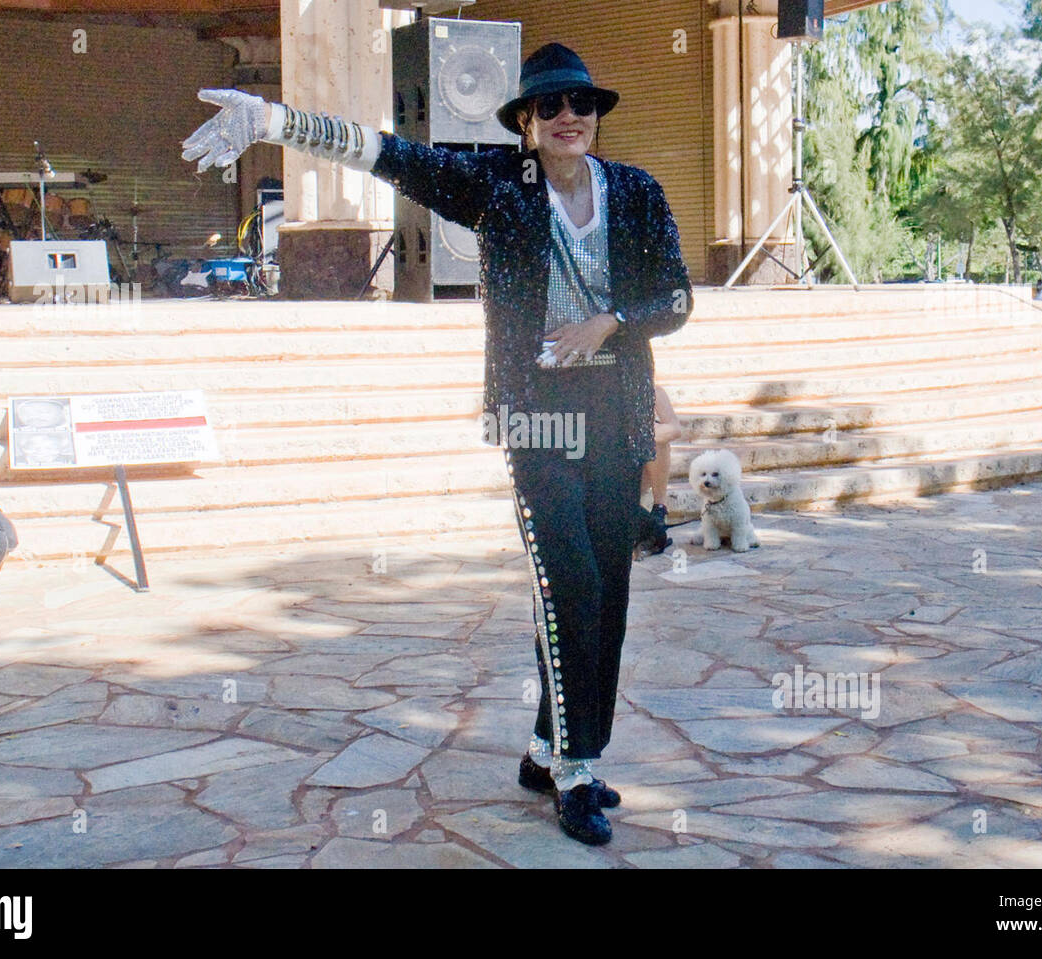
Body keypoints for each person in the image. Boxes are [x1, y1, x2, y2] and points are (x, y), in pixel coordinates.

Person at [181, 41, 692, 846]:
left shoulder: (636, 192)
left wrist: (611, 322)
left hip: (616, 418)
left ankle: (543, 746)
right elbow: (392, 155)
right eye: (550, 106)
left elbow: (675, 294)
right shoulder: (499, 187)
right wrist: (276, 120)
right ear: (524, 122)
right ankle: (576, 766)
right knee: (572, 586)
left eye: (582, 104)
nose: (568, 117)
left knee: (605, 593)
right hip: (535, 419)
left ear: (596, 117)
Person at [634, 384, 682, 554]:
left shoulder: (651, 390)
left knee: (656, 438)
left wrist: (641, 432)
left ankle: (659, 508)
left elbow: (675, 429)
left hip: (635, 470)